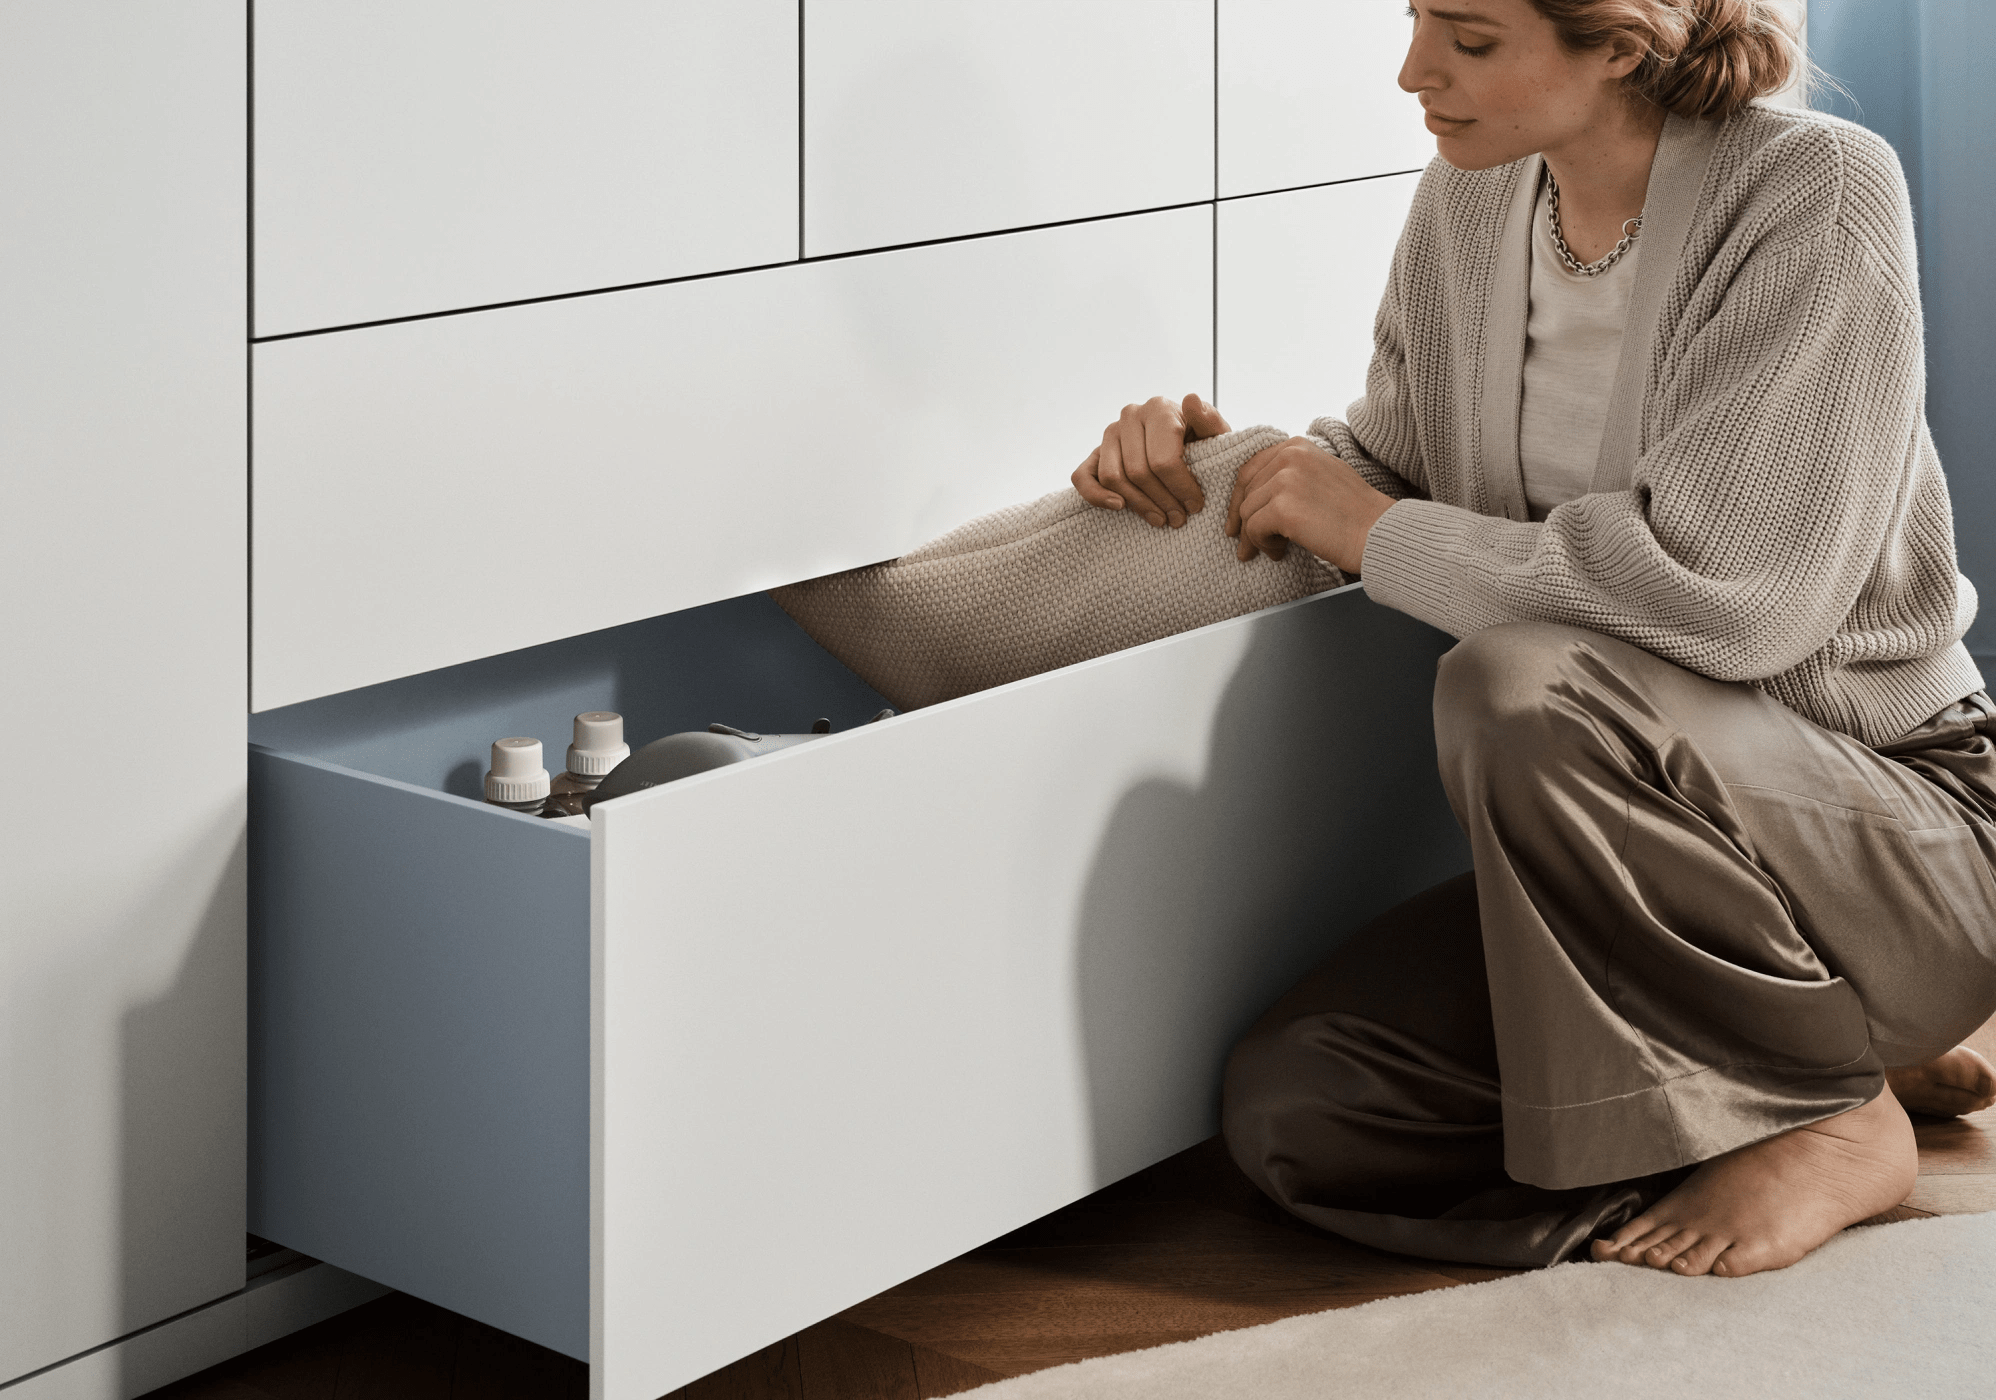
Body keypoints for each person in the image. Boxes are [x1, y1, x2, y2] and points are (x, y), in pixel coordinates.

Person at [1073, 0, 1996, 1279]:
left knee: (1519, 681)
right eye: (1414, 22)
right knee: (1302, 1106)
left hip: (1894, 829)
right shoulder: (1472, 199)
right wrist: (1229, 466)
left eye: (1468, 36)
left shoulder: (1817, 192)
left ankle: (1826, 1113)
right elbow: (1396, 473)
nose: (1413, 72)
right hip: (1637, 869)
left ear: (1618, 44)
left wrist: (1371, 526)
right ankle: (1818, 1047)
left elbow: (1733, 603)